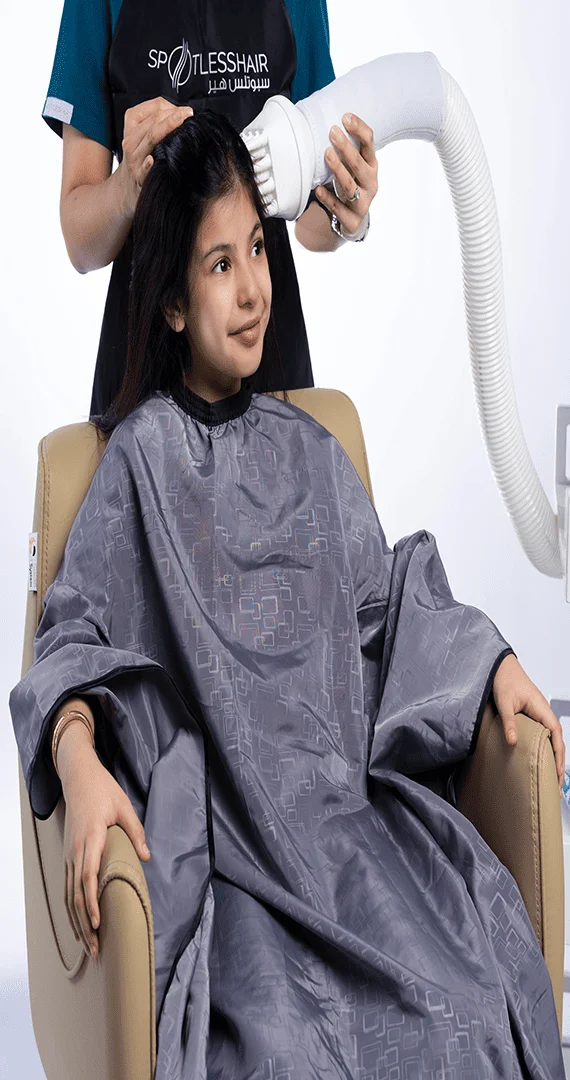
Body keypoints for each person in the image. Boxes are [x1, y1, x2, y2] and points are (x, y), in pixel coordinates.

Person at [11, 110, 565, 1079]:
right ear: (172, 302)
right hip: (236, 866)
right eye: (220, 264)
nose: (254, 289)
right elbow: (72, 634)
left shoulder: (311, 448)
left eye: (258, 251)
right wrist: (81, 761)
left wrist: (491, 661)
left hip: (351, 830)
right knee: (278, 1047)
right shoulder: (139, 462)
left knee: (467, 1001)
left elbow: (387, 610)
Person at [42, 0, 378, 418]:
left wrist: (346, 210)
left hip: (262, 342)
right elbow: (81, 244)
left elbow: (311, 223)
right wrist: (126, 187)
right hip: (145, 352)